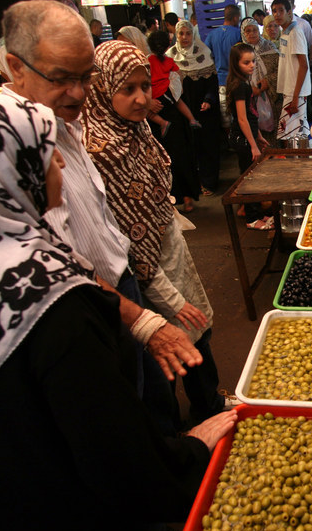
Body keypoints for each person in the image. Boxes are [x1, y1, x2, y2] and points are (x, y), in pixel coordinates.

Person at [0, 90, 236, 531]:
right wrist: (191, 451)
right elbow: (114, 456)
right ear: (9, 172)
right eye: (46, 152)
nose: (62, 165)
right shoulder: (52, 302)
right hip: (76, 520)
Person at [0, 0, 200, 384]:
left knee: (145, 387)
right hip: (89, 300)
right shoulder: (16, 143)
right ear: (16, 68)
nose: (78, 93)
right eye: (61, 78)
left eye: (86, 77)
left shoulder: (67, 124)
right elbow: (55, 262)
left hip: (120, 281)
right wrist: (141, 319)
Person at [82, 40, 232, 423]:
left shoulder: (139, 131)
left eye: (144, 87)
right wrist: (164, 291)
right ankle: (170, 434)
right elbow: (123, 241)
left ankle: (208, 404)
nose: (139, 99)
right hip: (140, 272)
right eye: (126, 89)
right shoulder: (98, 150)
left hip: (170, 248)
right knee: (160, 351)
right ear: (101, 88)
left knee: (197, 328)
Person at [148, 30, 201, 213]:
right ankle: (186, 199)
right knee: (181, 159)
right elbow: (178, 98)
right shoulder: (171, 64)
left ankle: (167, 202)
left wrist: (149, 103)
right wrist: (192, 118)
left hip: (156, 118)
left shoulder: (145, 64)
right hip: (174, 117)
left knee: (162, 162)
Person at [170, 19, 222, 194]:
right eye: (181, 33)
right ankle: (192, 185)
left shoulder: (204, 53)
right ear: (176, 35)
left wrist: (208, 100)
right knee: (188, 148)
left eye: (188, 33)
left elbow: (212, 83)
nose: (185, 37)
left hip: (204, 111)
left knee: (207, 146)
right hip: (182, 111)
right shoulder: (170, 56)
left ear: (194, 35)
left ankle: (209, 183)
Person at [225, 42, 272, 230]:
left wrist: (258, 135)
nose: (251, 65)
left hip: (248, 136)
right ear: (236, 64)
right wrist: (253, 145)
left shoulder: (244, 83)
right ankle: (252, 218)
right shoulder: (240, 87)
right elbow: (242, 119)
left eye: (253, 61)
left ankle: (253, 212)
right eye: (246, 63)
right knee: (249, 179)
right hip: (242, 139)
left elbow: (251, 115)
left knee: (251, 176)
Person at [272, 0, 311, 142]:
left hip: (296, 93)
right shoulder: (285, 32)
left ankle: (301, 162)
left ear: (289, 12)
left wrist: (295, 97)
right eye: (274, 11)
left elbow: (304, 65)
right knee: (290, 134)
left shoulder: (295, 32)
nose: (277, 14)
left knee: (296, 135)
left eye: (281, 10)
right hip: (289, 91)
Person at [240, 17, 279, 145]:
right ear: (243, 33)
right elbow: (236, 75)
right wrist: (249, 90)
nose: (252, 33)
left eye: (255, 30)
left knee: (272, 130)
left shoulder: (269, 46)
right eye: (248, 31)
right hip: (249, 97)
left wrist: (267, 82)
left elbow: (280, 69)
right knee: (254, 129)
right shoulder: (239, 51)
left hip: (271, 96)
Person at [203, 4, 243, 129]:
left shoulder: (212, 35)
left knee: (225, 117)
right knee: (239, 115)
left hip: (219, 82)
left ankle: (228, 143)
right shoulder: (238, 34)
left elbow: (206, 57)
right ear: (236, 18)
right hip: (237, 80)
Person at [281, 0, 312, 65]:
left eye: (289, 6)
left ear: (293, 7)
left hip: (301, 63)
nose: (287, 9)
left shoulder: (303, 24)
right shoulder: (278, 25)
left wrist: (310, 61)